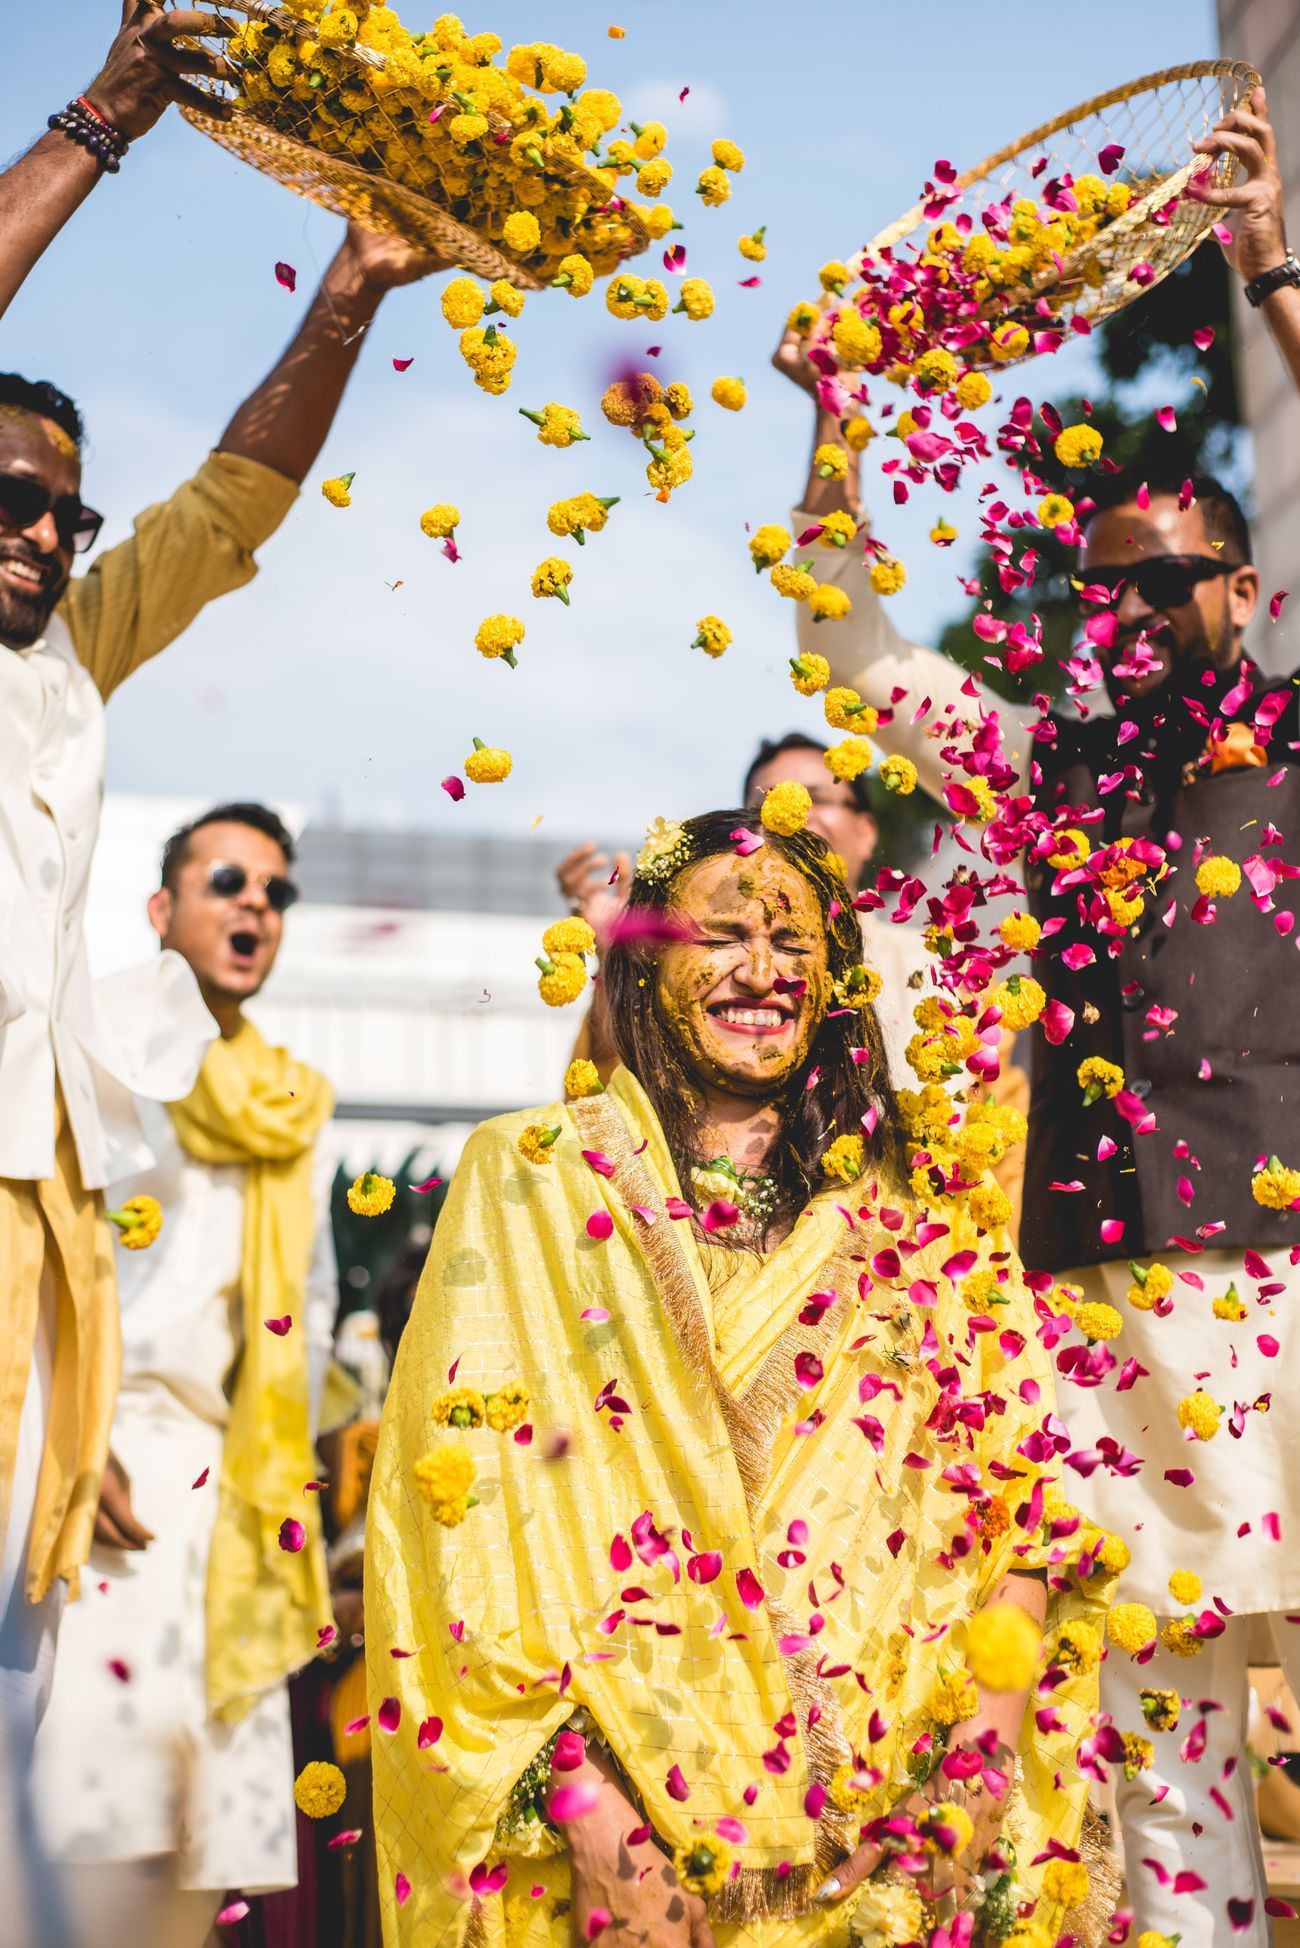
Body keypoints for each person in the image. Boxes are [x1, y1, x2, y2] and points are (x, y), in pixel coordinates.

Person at [774, 85, 1300, 1948]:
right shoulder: (1033, 763)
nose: (1148, 603)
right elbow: (845, 636)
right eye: (1116, 581)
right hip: (1103, 1264)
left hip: (1287, 1259)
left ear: (1247, 588)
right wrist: (832, 425)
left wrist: (1272, 269)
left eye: (1183, 573)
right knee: (1166, 1685)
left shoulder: (1291, 729)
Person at [367, 809, 1118, 1947]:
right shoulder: (531, 1180)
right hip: (631, 1858)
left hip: (895, 1845)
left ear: (838, 983)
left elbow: (1024, 1509)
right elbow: (457, 1541)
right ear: (643, 958)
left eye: (796, 945)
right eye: (721, 934)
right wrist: (584, 1812)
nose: (762, 971)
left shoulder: (915, 1210)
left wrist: (971, 1763)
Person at [0, 2, 443, 1743]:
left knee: (26, 1702)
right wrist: (101, 124)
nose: (44, 533)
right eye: (11, 499)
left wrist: (351, 294)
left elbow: (229, 506)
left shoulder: (70, 661)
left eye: (64, 515)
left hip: (39, 1225)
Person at [33, 803, 339, 1948]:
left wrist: (290, 1493)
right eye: (226, 879)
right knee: (88, 1825)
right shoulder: (97, 1037)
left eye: (276, 890)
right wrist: (68, 1429)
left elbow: (302, 1315)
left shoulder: (289, 1099)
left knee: (206, 1858)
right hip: (95, 1469)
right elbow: (43, 1247)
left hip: (235, 1494)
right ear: (162, 908)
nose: (255, 902)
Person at [557, 735, 1029, 1231]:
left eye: (815, 797)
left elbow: (996, 1168)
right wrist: (621, 964)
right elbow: (606, 1112)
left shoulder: (946, 980)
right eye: (767, 803)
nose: (790, 813)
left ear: (866, 831)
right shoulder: (691, 966)